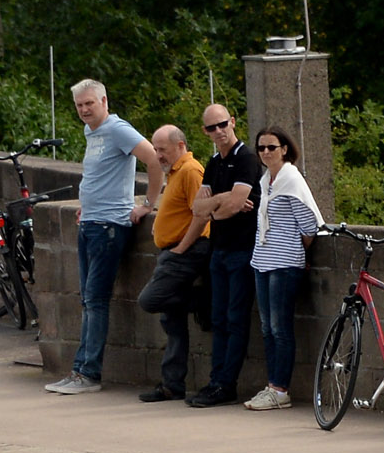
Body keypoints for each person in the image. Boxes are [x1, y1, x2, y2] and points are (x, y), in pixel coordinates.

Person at [46, 79, 162, 395]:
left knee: (95, 301)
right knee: (87, 299)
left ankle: (89, 373)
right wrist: (88, 205)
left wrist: (148, 204)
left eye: (89, 104)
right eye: (80, 105)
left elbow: (153, 159)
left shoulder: (117, 129)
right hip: (91, 222)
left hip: (110, 226)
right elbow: (99, 175)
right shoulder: (92, 132)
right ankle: (80, 370)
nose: (84, 110)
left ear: (104, 101)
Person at [245, 125, 322, 411]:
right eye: (261, 148)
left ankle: (280, 389)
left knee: (280, 328)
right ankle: (272, 385)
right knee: (267, 328)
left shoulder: (290, 178)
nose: (266, 152)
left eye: (272, 147)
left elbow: (310, 224)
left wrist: (294, 248)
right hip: (262, 261)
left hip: (284, 263)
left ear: (285, 149)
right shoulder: (267, 179)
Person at [185, 103, 257, 408]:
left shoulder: (247, 160)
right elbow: (197, 209)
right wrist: (221, 203)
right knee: (218, 319)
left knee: (235, 319)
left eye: (223, 124)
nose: (219, 131)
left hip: (242, 250)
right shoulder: (213, 163)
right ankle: (216, 381)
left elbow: (232, 203)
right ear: (205, 131)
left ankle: (226, 384)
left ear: (233, 122)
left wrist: (215, 205)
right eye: (212, 128)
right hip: (219, 250)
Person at [133, 123, 209, 402]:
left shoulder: (191, 171)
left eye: (162, 149)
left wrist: (180, 248)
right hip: (172, 251)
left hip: (185, 253)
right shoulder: (175, 172)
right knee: (172, 322)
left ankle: (202, 301)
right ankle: (172, 384)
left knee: (150, 300)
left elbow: (202, 216)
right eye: (155, 149)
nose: (157, 155)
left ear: (180, 146)